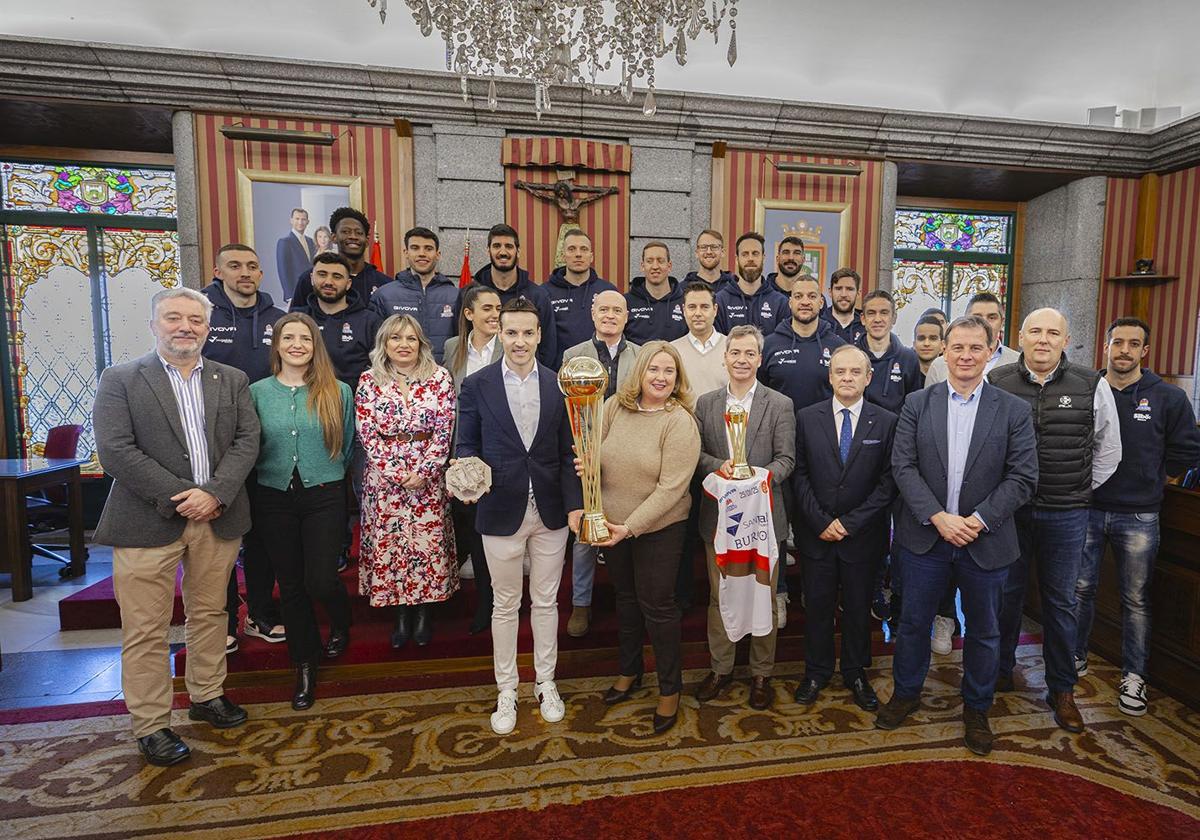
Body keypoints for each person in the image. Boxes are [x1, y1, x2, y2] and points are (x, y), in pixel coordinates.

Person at [92, 287, 260, 766]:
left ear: (207, 328)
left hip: (218, 514)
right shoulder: (121, 378)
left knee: (210, 613)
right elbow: (116, 451)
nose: (185, 326)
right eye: (173, 318)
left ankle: (207, 695)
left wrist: (215, 493)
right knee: (145, 628)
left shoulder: (232, 379)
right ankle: (152, 724)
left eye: (194, 319)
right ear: (153, 324)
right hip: (147, 520)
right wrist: (181, 495)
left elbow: (248, 440)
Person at [876, 315, 1038, 757]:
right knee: (912, 623)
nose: (966, 356)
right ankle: (906, 693)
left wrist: (978, 519)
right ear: (944, 351)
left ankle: (977, 708)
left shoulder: (1014, 410)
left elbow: (1023, 477)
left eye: (975, 348)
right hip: (925, 537)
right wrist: (938, 517)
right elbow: (902, 467)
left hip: (986, 540)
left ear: (992, 351)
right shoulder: (917, 404)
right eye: (958, 347)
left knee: (985, 631)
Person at [989, 308, 1122, 733]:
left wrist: (1079, 488)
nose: (1043, 340)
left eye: (1053, 333)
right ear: (1020, 338)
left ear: (1067, 340)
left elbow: (1109, 448)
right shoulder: (998, 381)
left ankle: (1061, 689)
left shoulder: (1091, 384)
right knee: (1005, 597)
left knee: (1061, 604)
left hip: (1066, 513)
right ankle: (999, 671)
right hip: (1011, 512)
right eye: (1035, 332)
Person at [456, 298, 583, 734]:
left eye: (528, 333)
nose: (520, 341)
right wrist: (467, 478)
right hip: (500, 509)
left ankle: (546, 682)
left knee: (547, 601)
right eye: (511, 332)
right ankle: (506, 688)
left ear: (539, 335)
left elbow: (569, 454)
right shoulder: (476, 385)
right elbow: (465, 445)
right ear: (498, 332)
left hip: (550, 512)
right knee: (505, 604)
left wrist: (574, 505)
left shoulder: (558, 384)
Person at [1074, 317, 1200, 715]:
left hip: (1141, 515)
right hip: (1088, 508)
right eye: (1117, 342)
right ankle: (1072, 658)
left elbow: (1185, 453)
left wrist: (1153, 477)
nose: (1124, 350)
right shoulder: (1085, 390)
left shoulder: (1168, 397)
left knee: (1136, 599)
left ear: (1145, 351)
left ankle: (1134, 676)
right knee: (1079, 591)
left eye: (1133, 344)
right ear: (1105, 347)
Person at [590, 341, 700, 734]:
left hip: (658, 529)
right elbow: (592, 454)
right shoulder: (614, 407)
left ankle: (670, 690)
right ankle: (629, 670)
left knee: (658, 606)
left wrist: (630, 527)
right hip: (613, 525)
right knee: (626, 599)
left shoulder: (679, 421)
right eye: (654, 369)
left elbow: (672, 488)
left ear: (678, 378)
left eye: (669, 371)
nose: (660, 377)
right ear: (639, 373)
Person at [250, 313, 355, 710]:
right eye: (289, 337)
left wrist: (326, 475)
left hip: (324, 493)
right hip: (273, 495)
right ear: (276, 345)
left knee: (320, 580)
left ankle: (342, 621)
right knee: (290, 585)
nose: (297, 344)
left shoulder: (337, 391)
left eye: (305, 339)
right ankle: (305, 666)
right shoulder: (257, 392)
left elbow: (345, 447)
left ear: (315, 346)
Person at [693, 326, 795, 710]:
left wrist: (754, 480)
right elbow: (697, 455)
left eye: (749, 353)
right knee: (720, 597)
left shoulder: (780, 404)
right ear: (725, 357)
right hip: (720, 520)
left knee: (764, 598)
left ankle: (761, 674)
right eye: (735, 352)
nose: (741, 359)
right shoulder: (706, 404)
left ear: (759, 358)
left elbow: (787, 460)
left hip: (764, 519)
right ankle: (721, 669)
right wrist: (726, 470)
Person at [792, 345, 897, 711]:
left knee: (857, 607)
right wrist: (821, 521)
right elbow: (799, 475)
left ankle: (855, 671)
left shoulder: (886, 421)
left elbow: (888, 483)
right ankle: (816, 671)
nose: (847, 378)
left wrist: (850, 523)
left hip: (862, 537)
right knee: (817, 606)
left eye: (855, 372)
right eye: (840, 372)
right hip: (816, 534)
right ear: (830, 376)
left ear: (868, 378)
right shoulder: (806, 418)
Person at [201, 243, 286, 652]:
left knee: (264, 536)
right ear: (218, 272)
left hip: (268, 445)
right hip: (216, 446)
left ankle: (260, 614)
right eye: (234, 266)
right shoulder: (202, 314)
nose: (245, 273)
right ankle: (223, 623)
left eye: (252, 266)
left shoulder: (278, 319)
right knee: (219, 538)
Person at [357, 314, 458, 647]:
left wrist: (426, 470)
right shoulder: (369, 380)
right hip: (385, 480)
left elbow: (445, 429)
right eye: (396, 338)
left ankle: (425, 614)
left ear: (421, 344)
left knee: (426, 548)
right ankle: (400, 615)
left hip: (429, 478)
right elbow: (367, 434)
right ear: (384, 344)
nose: (403, 345)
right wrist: (399, 474)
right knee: (395, 547)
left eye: (411, 338)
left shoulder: (441, 378)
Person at [560, 289, 640, 638]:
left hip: (626, 454)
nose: (609, 315)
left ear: (626, 317)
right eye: (603, 309)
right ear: (593, 315)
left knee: (625, 526)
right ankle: (581, 603)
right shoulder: (572, 355)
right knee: (584, 532)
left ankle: (630, 602)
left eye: (617, 310)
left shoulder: (640, 356)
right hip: (585, 452)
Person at [442, 284, 503, 634]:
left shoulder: (508, 346)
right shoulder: (452, 349)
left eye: (498, 308)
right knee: (464, 525)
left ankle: (489, 602)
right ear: (469, 314)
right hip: (460, 452)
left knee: (485, 532)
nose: (495, 314)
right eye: (488, 309)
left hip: (496, 452)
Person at [468, 223, 558, 367]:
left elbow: (549, 346)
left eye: (509, 246)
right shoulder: (471, 294)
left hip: (526, 378)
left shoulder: (538, 295)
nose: (503, 252)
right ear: (488, 251)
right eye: (497, 246)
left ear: (518, 251)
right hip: (480, 376)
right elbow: (460, 336)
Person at [369, 227, 460, 364]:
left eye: (428, 249)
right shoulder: (383, 295)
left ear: (438, 254)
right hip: (397, 379)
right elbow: (376, 345)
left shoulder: (456, 295)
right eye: (415, 248)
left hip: (444, 378)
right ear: (406, 252)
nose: (422, 253)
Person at [760, 274, 847, 411]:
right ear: (790, 303)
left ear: (821, 302)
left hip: (824, 429)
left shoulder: (839, 348)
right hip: (778, 429)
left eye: (812, 296)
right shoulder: (768, 345)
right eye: (798, 296)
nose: (805, 302)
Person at [290, 208, 391, 309]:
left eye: (359, 233)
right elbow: (294, 320)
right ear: (333, 237)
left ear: (367, 240)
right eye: (345, 232)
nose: (353, 236)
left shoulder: (384, 283)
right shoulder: (310, 279)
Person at [545, 228, 618, 367]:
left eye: (584, 249)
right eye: (572, 249)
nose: (578, 254)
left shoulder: (608, 291)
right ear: (562, 255)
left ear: (591, 256)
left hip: (601, 372)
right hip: (559, 373)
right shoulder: (545, 293)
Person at [925, 293, 1018, 385]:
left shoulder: (1017, 362)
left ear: (1002, 322)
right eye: (977, 317)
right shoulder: (939, 365)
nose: (984, 322)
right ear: (966, 319)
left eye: (992, 317)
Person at [857, 290, 923, 414]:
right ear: (863, 319)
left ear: (894, 318)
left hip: (895, 431)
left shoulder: (909, 359)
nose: (877, 319)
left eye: (884, 313)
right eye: (871, 313)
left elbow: (914, 408)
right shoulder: (850, 356)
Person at [715, 232, 788, 335]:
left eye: (755, 253)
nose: (750, 258)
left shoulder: (781, 303)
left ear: (763, 258)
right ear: (737, 259)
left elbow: (782, 344)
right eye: (745, 254)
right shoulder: (720, 301)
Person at [670, 280, 728, 397]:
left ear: (715, 310)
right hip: (684, 415)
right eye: (692, 307)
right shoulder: (672, 351)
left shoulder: (731, 347)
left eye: (704, 307)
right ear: (684, 310)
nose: (698, 313)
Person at [624, 241, 687, 345]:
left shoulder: (685, 302)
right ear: (642, 266)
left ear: (669, 266)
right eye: (649, 261)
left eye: (660, 261)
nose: (655, 266)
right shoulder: (626, 302)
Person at [276, 208, 315, 302]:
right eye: (297, 219)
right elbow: (283, 270)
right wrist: (289, 295)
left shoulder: (310, 241)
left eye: (303, 219)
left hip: (311, 291)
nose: (300, 222)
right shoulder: (285, 242)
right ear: (291, 220)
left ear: (308, 222)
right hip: (295, 291)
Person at [821, 268, 866, 345]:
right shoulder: (819, 324)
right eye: (838, 289)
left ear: (858, 293)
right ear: (830, 292)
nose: (843, 294)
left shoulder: (866, 326)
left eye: (849, 289)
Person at [913, 315, 945, 379]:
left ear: (942, 345)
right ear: (914, 345)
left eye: (933, 338)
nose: (926, 344)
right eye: (921, 338)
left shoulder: (950, 379)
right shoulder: (904, 377)